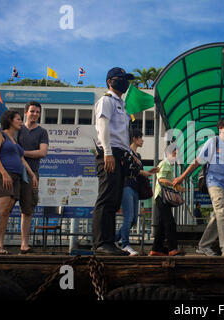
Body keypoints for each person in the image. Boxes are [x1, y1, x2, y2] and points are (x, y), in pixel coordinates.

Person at [173, 118, 224, 256]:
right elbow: (197, 161)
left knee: (217, 216)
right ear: (221, 128)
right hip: (214, 183)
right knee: (223, 214)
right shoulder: (213, 142)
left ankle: (203, 245)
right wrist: (181, 177)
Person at [92, 67, 135, 256]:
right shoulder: (106, 100)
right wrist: (107, 153)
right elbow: (103, 127)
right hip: (108, 154)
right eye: (121, 79)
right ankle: (102, 243)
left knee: (114, 200)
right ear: (110, 81)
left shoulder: (122, 105)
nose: (125, 82)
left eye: (126, 79)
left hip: (120, 156)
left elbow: (122, 135)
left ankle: (109, 242)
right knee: (106, 198)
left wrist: (129, 154)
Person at [0, 111, 38, 254]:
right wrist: (4, 173)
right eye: (18, 119)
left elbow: (21, 158)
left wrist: (32, 175)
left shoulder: (14, 140)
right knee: (0, 209)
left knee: (6, 212)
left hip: (17, 177)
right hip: (3, 176)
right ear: (10, 121)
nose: (21, 121)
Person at [115, 129, 159, 256]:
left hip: (135, 188)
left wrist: (149, 172)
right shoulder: (126, 152)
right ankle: (125, 245)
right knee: (128, 217)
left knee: (134, 219)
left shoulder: (138, 156)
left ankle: (114, 240)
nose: (142, 140)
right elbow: (126, 169)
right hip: (126, 185)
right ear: (134, 138)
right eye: (140, 137)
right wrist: (142, 172)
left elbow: (138, 171)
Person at [17, 101, 49, 255]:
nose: (35, 114)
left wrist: (22, 152)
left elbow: (42, 153)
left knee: (27, 209)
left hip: (32, 175)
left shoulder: (42, 132)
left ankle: (24, 245)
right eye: (32, 111)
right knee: (4, 209)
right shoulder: (17, 129)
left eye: (37, 112)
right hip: (13, 172)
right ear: (25, 112)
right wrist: (28, 152)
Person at [149, 145, 183, 256]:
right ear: (168, 154)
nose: (176, 155)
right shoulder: (165, 164)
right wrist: (174, 183)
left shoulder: (169, 165)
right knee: (170, 223)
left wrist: (177, 185)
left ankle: (156, 249)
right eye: (174, 153)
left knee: (162, 224)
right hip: (162, 196)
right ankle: (172, 249)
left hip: (162, 197)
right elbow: (161, 179)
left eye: (176, 153)